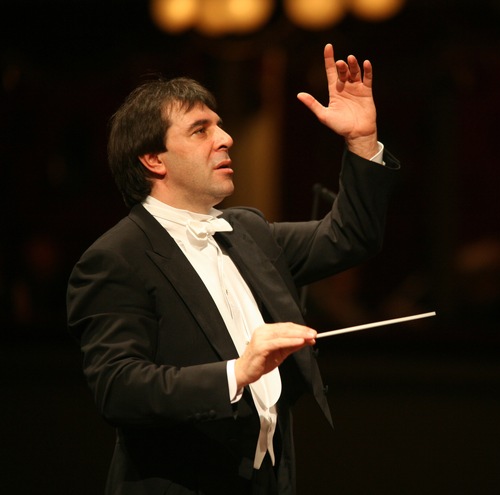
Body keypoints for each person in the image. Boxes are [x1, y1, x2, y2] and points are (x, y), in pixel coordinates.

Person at [66, 44, 399, 495]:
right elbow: (119, 389)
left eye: (219, 125)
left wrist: (361, 141)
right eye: (200, 130)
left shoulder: (247, 231)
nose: (225, 138)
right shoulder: (116, 257)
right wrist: (236, 373)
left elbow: (350, 236)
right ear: (153, 159)